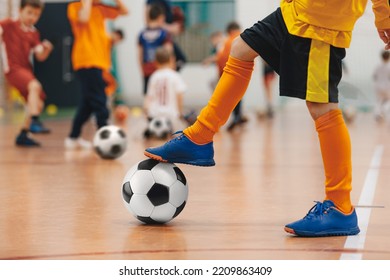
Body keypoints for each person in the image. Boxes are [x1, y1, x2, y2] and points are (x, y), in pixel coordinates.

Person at [145, 0, 390, 237]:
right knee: (241, 48)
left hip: (321, 20)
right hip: (294, 11)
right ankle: (200, 136)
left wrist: (385, 16)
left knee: (322, 107)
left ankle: (340, 205)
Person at [65, 0, 128, 149]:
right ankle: (104, 135)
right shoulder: (74, 7)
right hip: (86, 60)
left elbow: (124, 11)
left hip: (99, 62)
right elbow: (84, 18)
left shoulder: (100, 8)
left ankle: (73, 137)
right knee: (99, 100)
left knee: (87, 103)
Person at [0, 0, 53, 147]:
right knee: (35, 86)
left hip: (26, 71)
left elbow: (40, 56)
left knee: (39, 104)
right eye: (29, 13)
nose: (32, 17)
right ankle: (35, 122)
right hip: (13, 70)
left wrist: (46, 49)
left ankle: (23, 134)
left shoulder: (34, 33)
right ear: (20, 10)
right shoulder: (8, 25)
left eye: (36, 15)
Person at [143, 46, 186, 138]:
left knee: (153, 122)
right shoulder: (175, 76)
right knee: (183, 130)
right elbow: (180, 96)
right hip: (171, 114)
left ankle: (154, 128)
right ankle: (168, 130)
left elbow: (148, 97)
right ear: (171, 60)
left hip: (155, 114)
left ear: (155, 62)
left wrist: (146, 112)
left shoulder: (154, 76)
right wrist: (180, 113)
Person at [217, 22, 248, 131]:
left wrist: (221, 76)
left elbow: (221, 59)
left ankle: (236, 117)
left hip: (229, 73)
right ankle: (238, 116)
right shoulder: (242, 38)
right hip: (243, 72)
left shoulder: (228, 41)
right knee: (238, 96)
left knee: (231, 97)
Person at [138, 3, 172, 96]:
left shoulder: (142, 34)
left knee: (149, 96)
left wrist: (142, 69)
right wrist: (170, 69)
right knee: (162, 96)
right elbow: (168, 52)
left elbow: (140, 55)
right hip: (161, 69)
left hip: (147, 69)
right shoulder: (164, 34)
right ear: (161, 17)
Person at [146, 0, 186, 71]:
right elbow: (150, 20)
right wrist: (170, 28)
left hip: (167, 35)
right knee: (172, 58)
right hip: (161, 36)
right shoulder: (152, 2)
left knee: (180, 60)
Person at [373, 50, 390, 122]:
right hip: (387, 86)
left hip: (378, 86)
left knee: (379, 101)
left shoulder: (378, 66)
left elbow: (374, 76)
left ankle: (378, 114)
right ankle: (384, 111)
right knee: (388, 101)